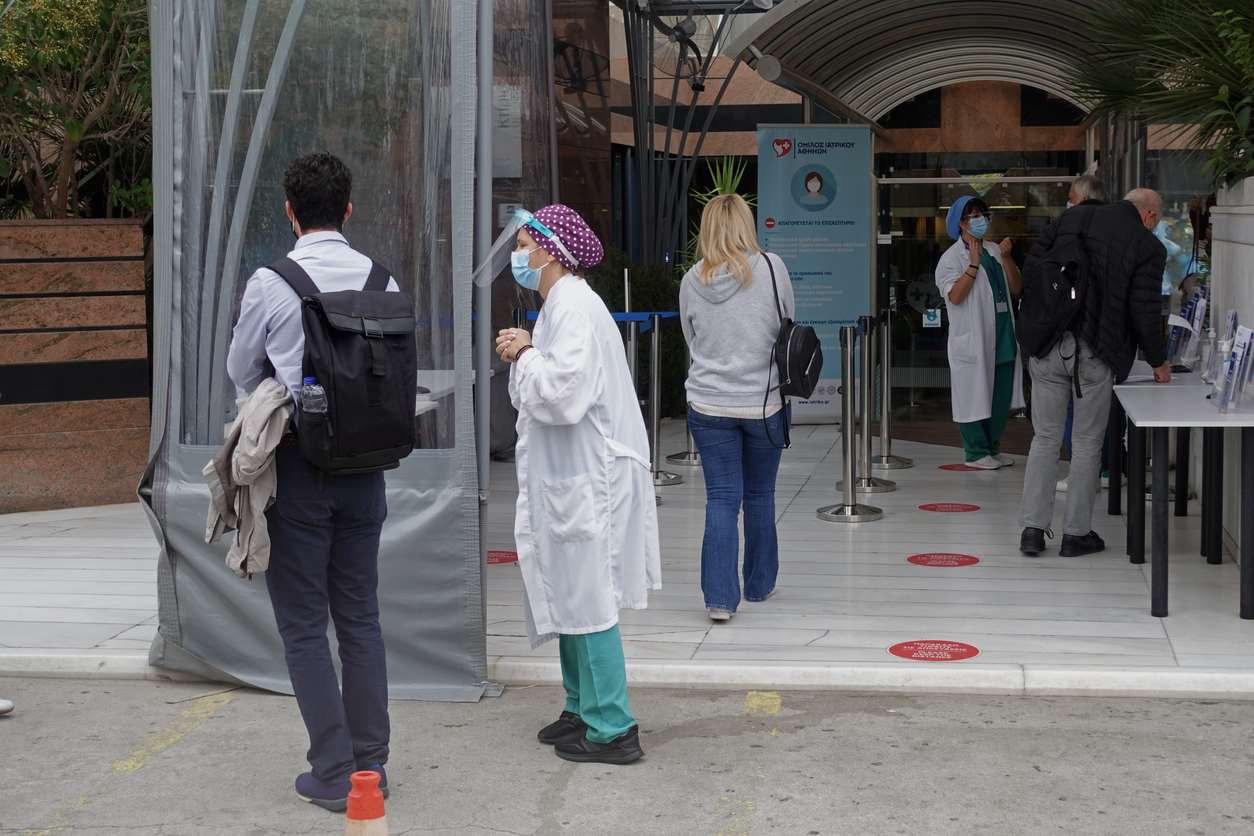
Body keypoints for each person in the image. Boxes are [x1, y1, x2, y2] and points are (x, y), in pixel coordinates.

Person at [226, 152, 398, 811]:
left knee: (303, 625)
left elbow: (241, 371)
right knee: (360, 618)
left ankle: (332, 771)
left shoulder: (272, 282)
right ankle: (371, 766)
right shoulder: (381, 279)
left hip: (298, 468)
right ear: (348, 210)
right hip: (367, 470)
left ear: (289, 212)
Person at [495, 203, 661, 766]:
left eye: (524, 245)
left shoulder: (574, 307)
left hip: (594, 479)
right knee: (569, 591)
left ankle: (613, 727)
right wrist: (527, 352)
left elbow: (563, 397)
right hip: (572, 474)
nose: (518, 255)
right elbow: (541, 389)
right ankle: (580, 708)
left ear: (549, 251)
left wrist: (524, 353)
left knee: (589, 599)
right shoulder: (557, 307)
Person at [1018, 188, 1173, 558]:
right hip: (1095, 350)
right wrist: (1158, 361)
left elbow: (1032, 271)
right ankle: (1076, 534)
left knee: (1045, 437)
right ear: (1149, 215)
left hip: (1047, 342)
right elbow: (1144, 310)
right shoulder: (1147, 245)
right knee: (1087, 442)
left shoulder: (1070, 218)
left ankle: (1032, 530)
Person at [678, 194, 792, 622]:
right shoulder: (772, 268)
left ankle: (720, 599)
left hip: (708, 403)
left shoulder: (691, 281)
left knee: (722, 499)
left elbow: (690, 338)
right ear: (747, 224)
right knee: (760, 494)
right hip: (763, 403)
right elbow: (786, 323)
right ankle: (759, 584)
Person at [935, 196, 1025, 469]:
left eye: (982, 214)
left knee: (999, 397)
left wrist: (1007, 258)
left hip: (1003, 336)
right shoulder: (951, 259)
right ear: (960, 223)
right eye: (973, 216)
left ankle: (992, 448)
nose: (980, 220)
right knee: (973, 396)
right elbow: (955, 296)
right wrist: (973, 265)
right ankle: (975, 452)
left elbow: (1016, 288)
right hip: (973, 341)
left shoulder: (995, 250)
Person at [1058, 174, 1108, 493]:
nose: (1068, 204)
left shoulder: (1076, 237)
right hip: (1097, 339)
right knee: (1094, 413)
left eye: (1071, 198)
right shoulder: (1112, 235)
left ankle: (1086, 473)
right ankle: (1101, 470)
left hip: (1083, 339)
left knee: (1077, 413)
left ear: (1085, 200)